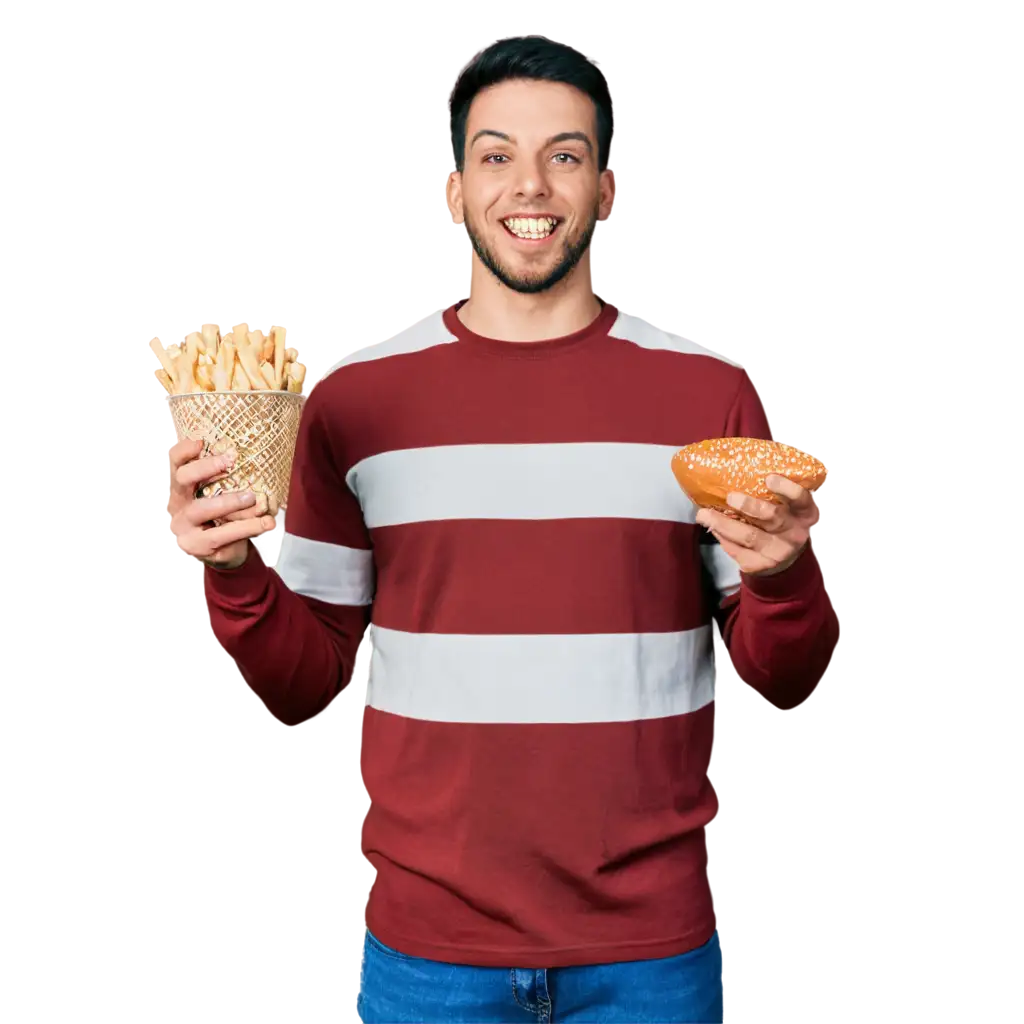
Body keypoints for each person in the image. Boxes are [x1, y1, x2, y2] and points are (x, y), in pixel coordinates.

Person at [164, 35, 827, 1024]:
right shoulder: (352, 400)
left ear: (605, 188)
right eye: (494, 155)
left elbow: (779, 670)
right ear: (450, 189)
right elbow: (306, 681)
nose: (530, 185)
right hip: (426, 955)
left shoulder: (710, 391)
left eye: (563, 155)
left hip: (647, 955)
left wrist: (780, 581)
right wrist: (232, 573)